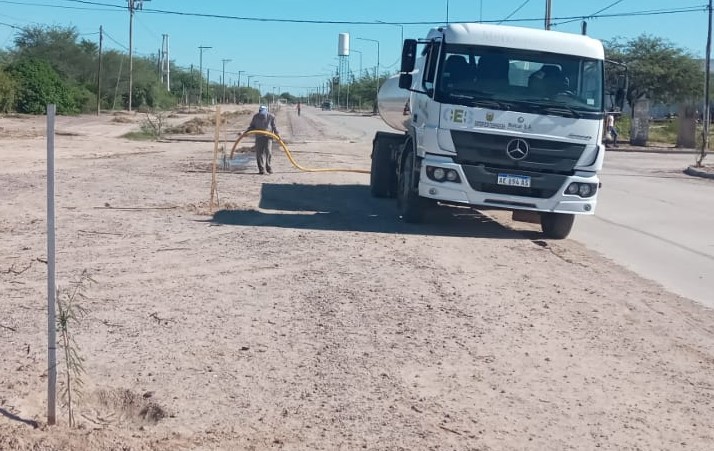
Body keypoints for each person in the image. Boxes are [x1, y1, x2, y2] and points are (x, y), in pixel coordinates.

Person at [244, 105, 280, 174]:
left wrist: (277, 134)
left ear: (266, 111)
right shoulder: (256, 117)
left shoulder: (271, 117)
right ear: (259, 111)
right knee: (259, 153)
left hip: (268, 137)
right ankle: (261, 169)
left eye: (263, 113)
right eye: (261, 113)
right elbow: (251, 127)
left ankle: (268, 167)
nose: (262, 115)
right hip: (259, 137)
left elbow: (274, 126)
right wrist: (245, 132)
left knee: (268, 152)